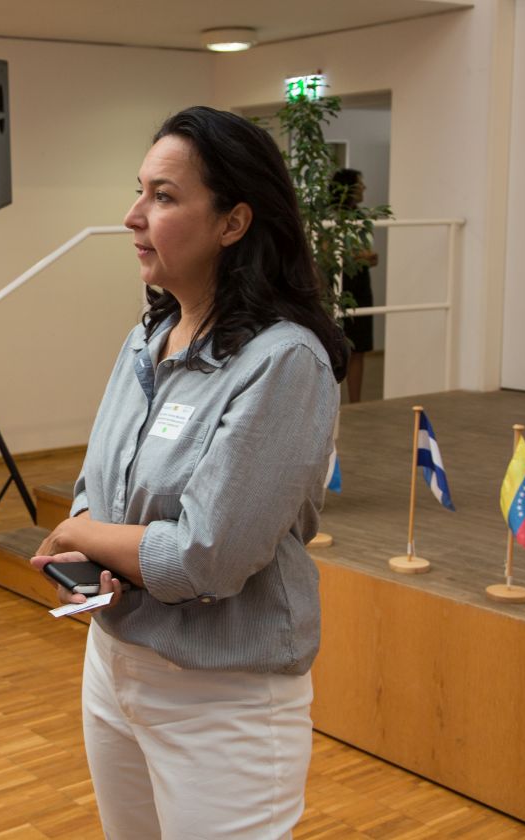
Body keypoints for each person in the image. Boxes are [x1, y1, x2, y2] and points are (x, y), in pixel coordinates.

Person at [30, 106, 348, 838]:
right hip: (113, 663)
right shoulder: (147, 337)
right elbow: (94, 489)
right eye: (139, 190)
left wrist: (80, 535)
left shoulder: (284, 361)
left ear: (233, 223)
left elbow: (207, 557)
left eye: (164, 196)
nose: (133, 215)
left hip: (221, 697)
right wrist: (88, 555)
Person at [330, 167, 378, 403]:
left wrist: (361, 257)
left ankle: (356, 402)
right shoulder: (331, 216)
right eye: (360, 184)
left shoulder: (360, 217)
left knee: (360, 346)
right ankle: (332, 402)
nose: (364, 189)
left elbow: (370, 256)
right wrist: (359, 257)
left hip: (361, 285)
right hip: (338, 284)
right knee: (334, 345)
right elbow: (330, 253)